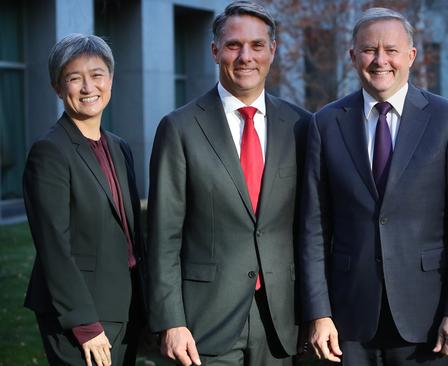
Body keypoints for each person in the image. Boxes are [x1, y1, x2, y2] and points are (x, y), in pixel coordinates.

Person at [300, 7, 448, 366]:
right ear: (353, 57)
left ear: (411, 56)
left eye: (392, 50)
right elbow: (313, 229)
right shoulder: (325, 124)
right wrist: (319, 313)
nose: (380, 60)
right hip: (348, 318)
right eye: (369, 50)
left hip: (427, 318)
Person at [146, 1, 311, 366]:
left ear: (273, 50)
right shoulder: (180, 127)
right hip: (204, 321)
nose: (245, 56)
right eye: (234, 45)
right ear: (215, 50)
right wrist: (171, 320)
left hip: (281, 318)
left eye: (256, 45)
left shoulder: (301, 126)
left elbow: (311, 228)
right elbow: (163, 236)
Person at [23, 34, 145, 366]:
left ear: (111, 79)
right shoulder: (49, 152)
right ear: (57, 87)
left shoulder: (119, 147)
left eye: (96, 74)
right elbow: (53, 246)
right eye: (74, 78)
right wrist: (84, 323)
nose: (88, 86)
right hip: (80, 316)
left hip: (125, 307)